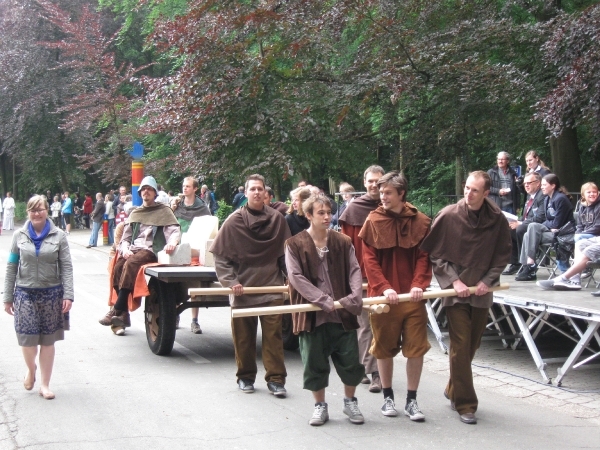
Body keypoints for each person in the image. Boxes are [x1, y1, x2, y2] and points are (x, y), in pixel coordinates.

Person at [421, 171, 511, 424]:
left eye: (474, 190)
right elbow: (435, 255)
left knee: (472, 345)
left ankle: (453, 387)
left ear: (486, 193)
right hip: (456, 293)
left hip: (481, 291)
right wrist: (454, 280)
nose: (468, 194)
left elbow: (501, 256)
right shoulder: (450, 214)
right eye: (467, 188)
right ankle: (465, 404)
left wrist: (487, 281)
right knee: (460, 346)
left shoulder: (497, 219)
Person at [286, 195, 365, 426]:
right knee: (314, 363)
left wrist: (355, 296)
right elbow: (295, 277)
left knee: (351, 362)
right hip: (313, 316)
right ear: (308, 215)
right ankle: (320, 405)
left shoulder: (342, 241)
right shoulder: (294, 244)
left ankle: (350, 401)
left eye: (329, 212)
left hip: (343, 314)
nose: (327, 217)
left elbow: (354, 270)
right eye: (320, 213)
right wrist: (321, 299)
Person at [359, 171, 432, 421]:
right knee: (383, 349)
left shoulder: (421, 221)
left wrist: (418, 285)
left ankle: (412, 401)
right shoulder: (373, 219)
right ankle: (388, 398)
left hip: (412, 298)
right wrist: (383, 287)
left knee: (416, 349)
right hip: (383, 300)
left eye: (388, 192)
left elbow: (424, 257)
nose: (383, 197)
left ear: (402, 194)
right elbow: (368, 260)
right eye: (381, 192)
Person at [210, 174, 291, 397]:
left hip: (271, 288)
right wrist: (231, 281)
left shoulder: (277, 220)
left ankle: (276, 379)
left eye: (260, 189)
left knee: (273, 338)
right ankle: (245, 377)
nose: (257, 192)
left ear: (266, 193)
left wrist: (290, 277)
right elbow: (221, 258)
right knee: (244, 338)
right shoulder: (234, 221)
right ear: (245, 193)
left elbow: (286, 255)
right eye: (252, 189)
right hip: (243, 290)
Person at [3, 195, 74, 400]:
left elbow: (67, 267)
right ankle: (31, 369)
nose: (36, 213)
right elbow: (11, 267)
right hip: (25, 292)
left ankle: (44, 384)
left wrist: (68, 294)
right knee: (27, 340)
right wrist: (7, 297)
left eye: (40, 209)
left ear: (47, 211)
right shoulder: (19, 236)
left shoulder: (59, 236)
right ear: (28, 212)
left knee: (48, 340)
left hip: (52, 293)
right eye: (32, 209)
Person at [98, 176, 180, 330]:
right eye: (143, 189)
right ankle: (123, 314)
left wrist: (172, 243)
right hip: (133, 249)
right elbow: (125, 237)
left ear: (155, 193)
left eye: (149, 189)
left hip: (150, 250)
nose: (146, 192)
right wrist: (125, 249)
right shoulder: (136, 213)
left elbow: (174, 231)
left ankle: (117, 309)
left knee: (131, 263)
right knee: (117, 267)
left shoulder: (164, 211)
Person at [338, 165, 385, 393]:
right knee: (365, 325)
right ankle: (372, 370)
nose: (374, 185)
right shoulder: (354, 208)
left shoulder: (390, 205)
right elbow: (345, 246)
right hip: (362, 276)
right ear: (364, 182)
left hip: (386, 277)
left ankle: (371, 368)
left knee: (379, 325)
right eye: (371, 181)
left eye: (378, 180)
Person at [515, 173, 574, 281]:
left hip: (562, 234)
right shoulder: (547, 199)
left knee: (532, 228)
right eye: (541, 185)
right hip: (551, 231)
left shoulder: (560, 199)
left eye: (544, 185)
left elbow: (557, 223)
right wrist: (548, 225)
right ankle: (528, 265)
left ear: (553, 186)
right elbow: (547, 220)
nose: (541, 187)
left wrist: (548, 225)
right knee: (529, 231)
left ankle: (529, 266)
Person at [171, 176, 211, 334]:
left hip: (195, 249)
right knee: (174, 284)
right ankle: (174, 315)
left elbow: (208, 227)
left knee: (195, 285)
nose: (184, 188)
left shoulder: (202, 208)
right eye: (183, 186)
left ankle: (194, 321)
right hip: (178, 247)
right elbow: (170, 225)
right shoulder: (176, 206)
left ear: (195, 189)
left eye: (188, 186)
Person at [502, 172, 546, 275]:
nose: (526, 185)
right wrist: (514, 220)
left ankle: (526, 264)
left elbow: (540, 217)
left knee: (520, 229)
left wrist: (521, 223)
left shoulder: (542, 197)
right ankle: (515, 263)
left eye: (529, 183)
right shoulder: (529, 196)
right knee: (508, 229)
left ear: (538, 183)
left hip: (538, 226)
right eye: (525, 183)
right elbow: (527, 215)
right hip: (529, 223)